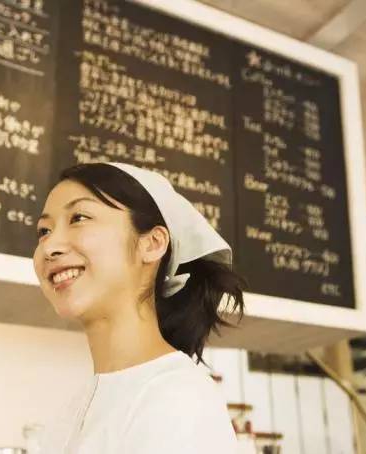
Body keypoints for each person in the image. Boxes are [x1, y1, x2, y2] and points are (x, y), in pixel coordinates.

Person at [33, 162, 247, 454]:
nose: (49, 247)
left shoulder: (179, 398)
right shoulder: (70, 414)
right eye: (44, 231)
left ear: (152, 243)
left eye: (79, 217)